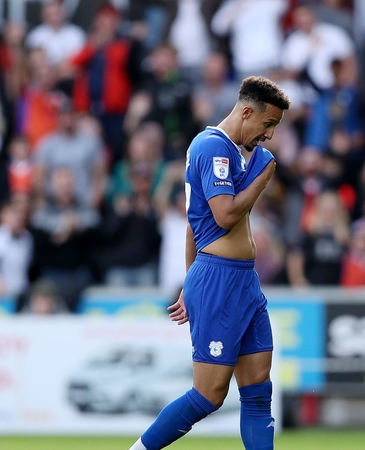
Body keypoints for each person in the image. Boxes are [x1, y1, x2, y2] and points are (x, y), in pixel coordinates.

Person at [129, 76, 291, 450]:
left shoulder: (234, 153)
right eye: (268, 124)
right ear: (247, 111)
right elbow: (224, 216)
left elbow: (192, 225)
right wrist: (262, 178)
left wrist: (189, 284)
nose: (269, 136)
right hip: (219, 279)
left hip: (243, 282)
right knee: (208, 395)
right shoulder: (211, 147)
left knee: (257, 393)